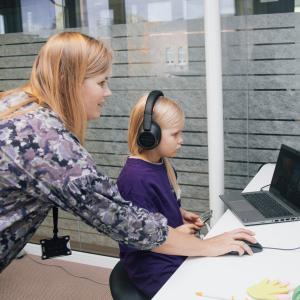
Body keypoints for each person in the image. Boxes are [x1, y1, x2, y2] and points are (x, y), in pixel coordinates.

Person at [0, 32, 255, 275]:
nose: (107, 92)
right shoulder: (49, 144)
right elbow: (126, 222)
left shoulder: (18, 105)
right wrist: (209, 246)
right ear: (69, 82)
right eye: (101, 82)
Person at [117, 92, 256, 298]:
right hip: (154, 267)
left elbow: (152, 208)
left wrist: (179, 213)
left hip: (173, 250)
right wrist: (185, 236)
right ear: (150, 134)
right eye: (175, 134)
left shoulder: (160, 164)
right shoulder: (134, 179)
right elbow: (145, 238)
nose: (181, 140)